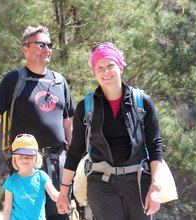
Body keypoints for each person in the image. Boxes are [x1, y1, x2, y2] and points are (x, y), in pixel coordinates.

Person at [0, 26, 75, 220]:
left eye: (49, 44)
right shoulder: (14, 80)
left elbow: (68, 122)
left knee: (60, 215)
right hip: (25, 165)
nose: (47, 48)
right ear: (25, 49)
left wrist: (75, 157)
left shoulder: (59, 82)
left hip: (58, 164)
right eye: (40, 44)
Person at [56, 42, 164, 220]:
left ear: (120, 66)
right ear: (94, 72)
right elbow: (75, 150)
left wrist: (155, 187)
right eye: (100, 67)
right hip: (101, 184)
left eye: (110, 65)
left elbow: (155, 145)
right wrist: (63, 191)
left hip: (138, 182)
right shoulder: (86, 107)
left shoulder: (142, 102)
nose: (106, 72)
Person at [3, 134, 59, 220]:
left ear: (36, 158)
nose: (25, 159)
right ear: (14, 159)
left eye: (29, 156)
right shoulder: (11, 181)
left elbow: (54, 194)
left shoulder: (42, 176)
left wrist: (63, 199)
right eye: (20, 156)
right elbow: (7, 208)